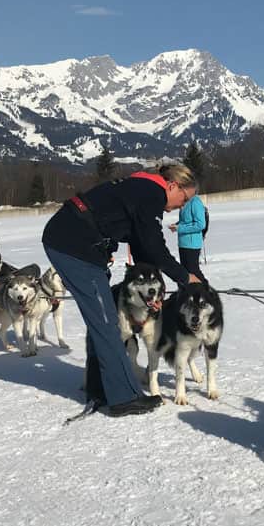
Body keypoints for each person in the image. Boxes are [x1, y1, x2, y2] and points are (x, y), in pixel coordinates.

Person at [42, 163, 202, 417]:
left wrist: (153, 295)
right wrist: (185, 277)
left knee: (102, 319)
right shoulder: (152, 193)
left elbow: (142, 249)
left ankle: (100, 388)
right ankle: (122, 397)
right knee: (107, 322)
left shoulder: (142, 188)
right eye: (184, 199)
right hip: (73, 245)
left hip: (75, 242)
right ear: (173, 185)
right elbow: (153, 246)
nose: (182, 206)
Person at [170, 189, 207, 282]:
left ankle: (206, 291)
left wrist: (180, 228)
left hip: (192, 244)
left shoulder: (195, 202)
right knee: (184, 272)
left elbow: (200, 224)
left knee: (193, 271)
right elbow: (186, 221)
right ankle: (187, 292)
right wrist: (177, 225)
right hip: (183, 243)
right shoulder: (185, 201)